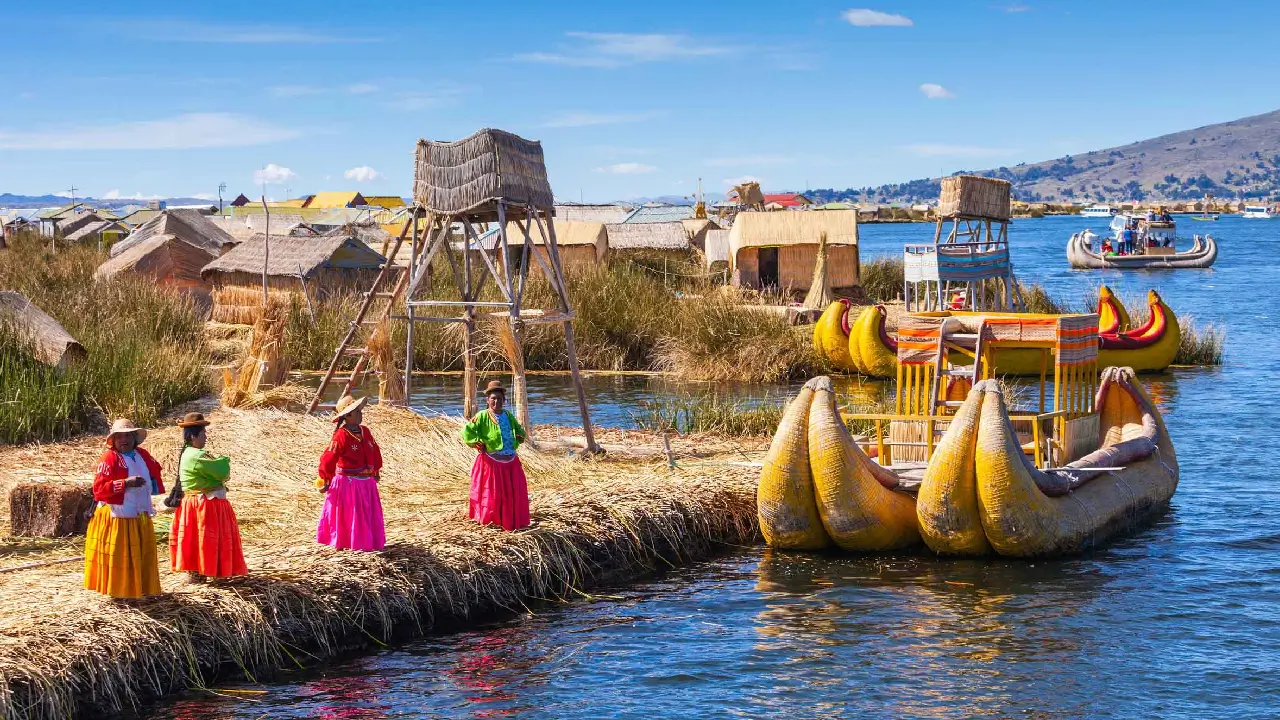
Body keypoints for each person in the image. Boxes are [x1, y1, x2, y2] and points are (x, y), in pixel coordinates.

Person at [84, 418, 164, 599]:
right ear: (113, 440)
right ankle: (120, 592)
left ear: (134, 438)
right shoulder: (109, 458)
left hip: (140, 514)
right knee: (121, 556)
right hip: (118, 516)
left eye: (128, 436)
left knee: (141, 554)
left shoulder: (142, 455)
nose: (124, 440)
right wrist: (125, 483)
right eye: (119, 437)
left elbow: (155, 473)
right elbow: (99, 489)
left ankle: (139, 589)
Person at [169, 413, 248, 583]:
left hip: (197, 502)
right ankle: (211, 571)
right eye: (203, 433)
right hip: (204, 504)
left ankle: (198, 572)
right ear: (193, 436)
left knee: (197, 538)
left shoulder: (190, 453)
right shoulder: (197, 456)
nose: (206, 437)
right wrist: (223, 461)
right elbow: (222, 471)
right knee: (208, 538)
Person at [317, 395, 385, 551]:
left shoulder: (365, 431)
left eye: (360, 411)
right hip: (348, 484)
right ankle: (345, 542)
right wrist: (325, 479)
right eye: (357, 412)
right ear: (347, 416)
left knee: (365, 513)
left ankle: (366, 543)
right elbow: (329, 457)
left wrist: (375, 470)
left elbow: (374, 450)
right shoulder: (341, 435)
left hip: (366, 482)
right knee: (350, 514)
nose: (361, 414)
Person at [462, 381, 531, 531]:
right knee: (493, 493)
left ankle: (509, 519)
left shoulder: (508, 415)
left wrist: (519, 437)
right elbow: (467, 431)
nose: (496, 401)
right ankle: (491, 520)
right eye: (493, 398)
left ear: (504, 400)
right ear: (487, 400)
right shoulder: (482, 416)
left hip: (510, 461)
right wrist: (477, 442)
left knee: (511, 493)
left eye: (499, 398)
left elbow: (519, 429)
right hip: (491, 463)